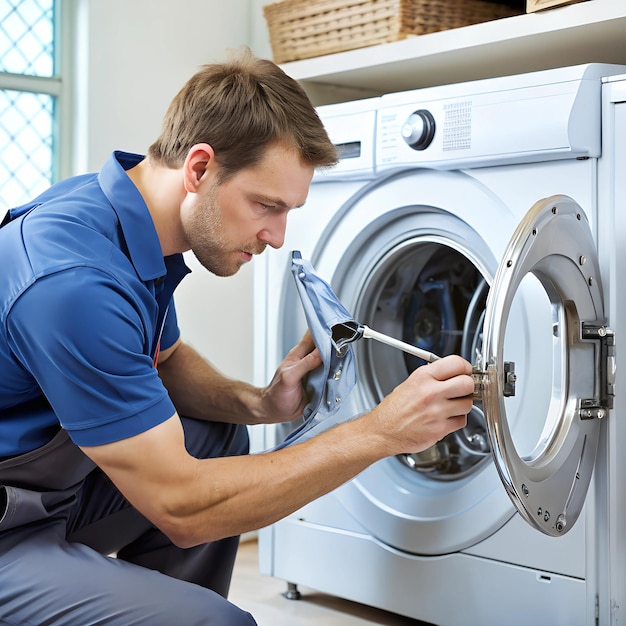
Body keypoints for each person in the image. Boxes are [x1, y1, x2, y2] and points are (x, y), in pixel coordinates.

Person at [0, 47, 474, 625]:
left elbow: (165, 360)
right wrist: (379, 433)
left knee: (217, 438)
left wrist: (257, 402)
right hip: (9, 528)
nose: (275, 236)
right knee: (220, 621)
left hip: (46, 499)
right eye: (264, 205)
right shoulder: (75, 281)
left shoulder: (121, 214)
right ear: (199, 168)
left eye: (288, 211)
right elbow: (180, 506)